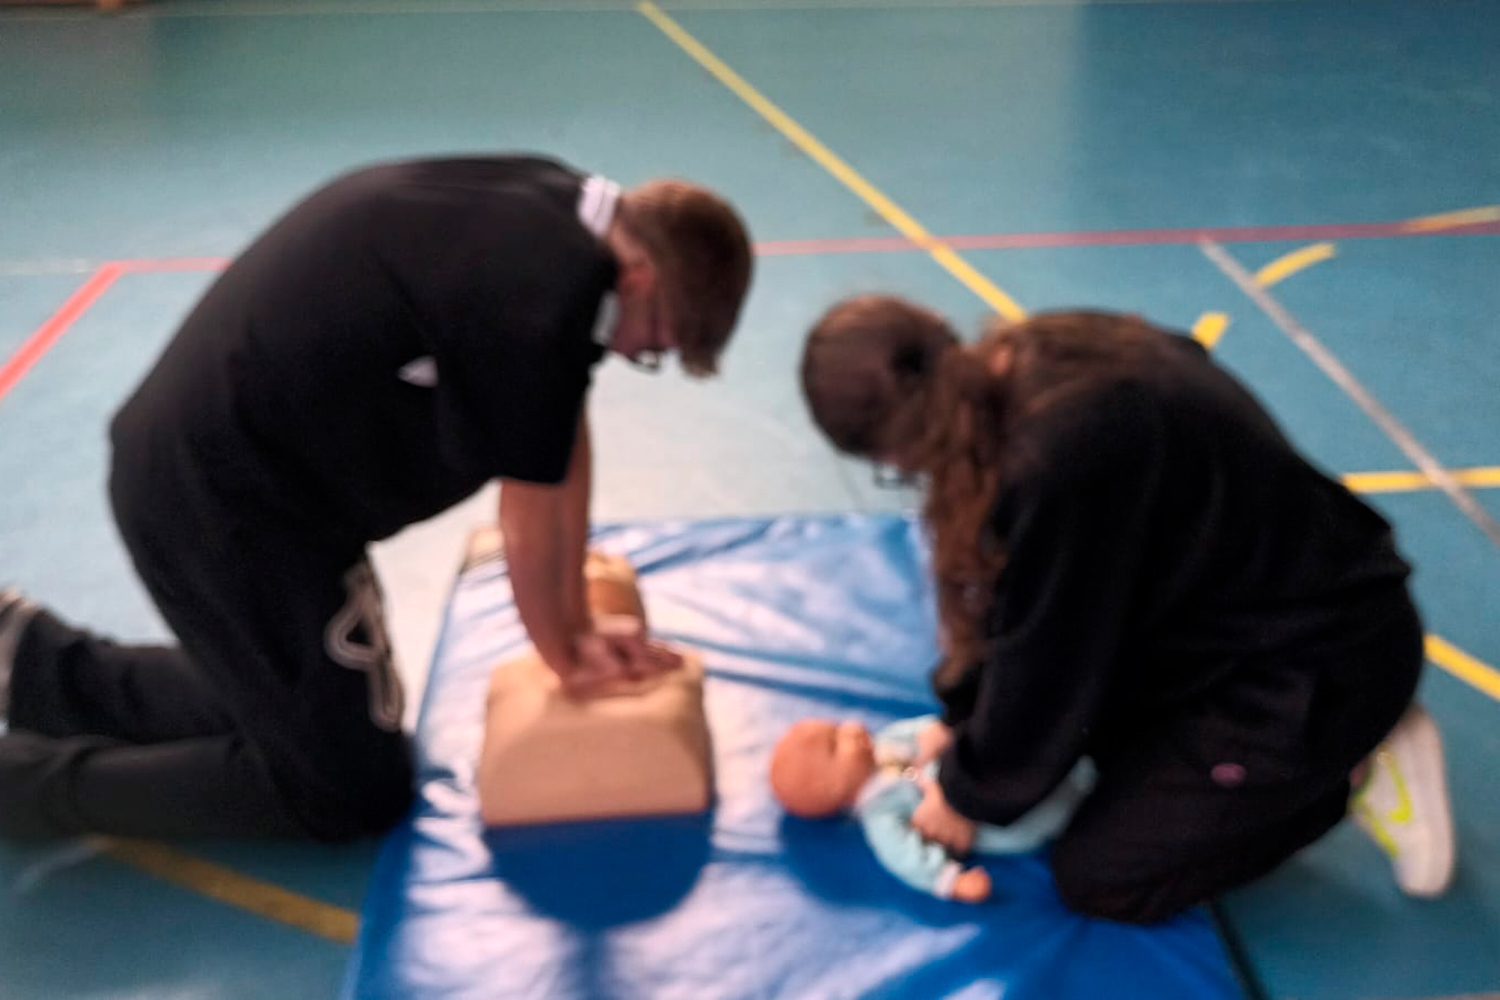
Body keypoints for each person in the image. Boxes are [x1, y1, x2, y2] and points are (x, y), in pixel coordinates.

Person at [0, 154, 753, 843]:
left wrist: (579, 626)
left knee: (311, 713)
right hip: (229, 506)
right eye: (653, 344)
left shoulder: (560, 216)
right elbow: (528, 512)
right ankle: (25, 788)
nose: (633, 354)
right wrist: (566, 656)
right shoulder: (542, 289)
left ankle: (30, 661)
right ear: (645, 279)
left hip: (235, 476)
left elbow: (558, 445)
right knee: (346, 789)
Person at [797, 295, 1456, 924]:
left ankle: (1352, 768)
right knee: (1098, 751)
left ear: (899, 448)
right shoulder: (1037, 353)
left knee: (1103, 876)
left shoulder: (1056, 461)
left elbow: (1048, 662)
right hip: (1257, 608)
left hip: (1319, 663)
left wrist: (967, 793)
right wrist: (962, 721)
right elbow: (1020, 600)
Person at [768, 714, 1096, 903]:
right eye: (837, 742)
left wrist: (939, 731)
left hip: (995, 769)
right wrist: (950, 880)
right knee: (1057, 813)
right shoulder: (881, 815)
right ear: (831, 788)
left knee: (1063, 766)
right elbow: (907, 857)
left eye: (838, 725)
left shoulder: (890, 740)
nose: (853, 726)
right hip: (998, 822)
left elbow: (932, 727)